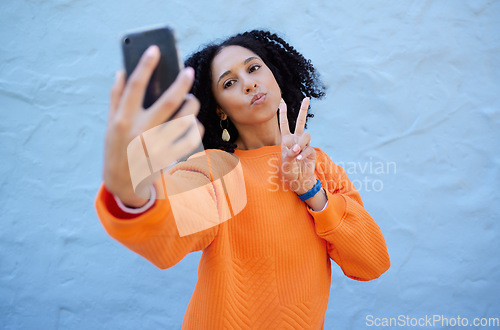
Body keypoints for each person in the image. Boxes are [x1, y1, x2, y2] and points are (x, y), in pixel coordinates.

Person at [95, 30, 390, 329]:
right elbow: (170, 221)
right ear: (220, 109)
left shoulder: (321, 167)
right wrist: (130, 188)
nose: (249, 83)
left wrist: (311, 191)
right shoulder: (219, 168)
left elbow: (372, 262)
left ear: (274, 75)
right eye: (230, 82)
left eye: (253, 68)